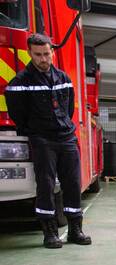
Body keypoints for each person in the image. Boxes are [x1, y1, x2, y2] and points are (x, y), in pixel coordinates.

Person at [6, 34, 91, 249]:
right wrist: (35, 131)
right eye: (38, 55)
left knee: (72, 183)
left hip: (65, 137)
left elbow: (68, 107)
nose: (44, 59)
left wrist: (63, 126)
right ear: (30, 54)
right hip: (42, 139)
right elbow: (18, 114)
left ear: (52, 52)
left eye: (47, 54)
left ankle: (75, 230)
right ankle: (50, 233)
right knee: (45, 185)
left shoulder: (63, 78)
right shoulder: (20, 82)